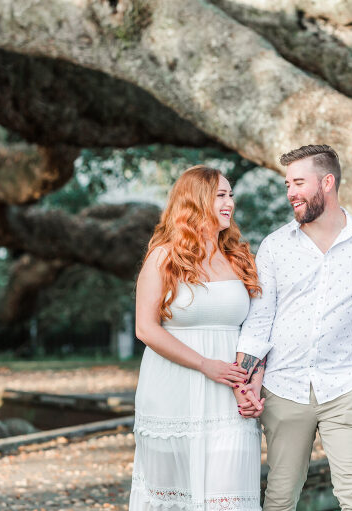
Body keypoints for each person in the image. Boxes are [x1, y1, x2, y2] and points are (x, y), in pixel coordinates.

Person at [234, 145, 352, 511]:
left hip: (345, 389)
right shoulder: (275, 246)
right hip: (283, 389)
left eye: (298, 182)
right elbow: (259, 321)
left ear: (327, 182)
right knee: (279, 498)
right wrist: (244, 380)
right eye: (287, 185)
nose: (291, 192)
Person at [130, 165, 264, 511]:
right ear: (195, 200)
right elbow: (145, 328)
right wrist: (206, 365)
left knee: (228, 495)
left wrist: (252, 384)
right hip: (172, 390)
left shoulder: (239, 258)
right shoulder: (163, 257)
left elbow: (258, 328)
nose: (229, 203)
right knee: (173, 497)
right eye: (221, 195)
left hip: (230, 396)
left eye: (231, 195)